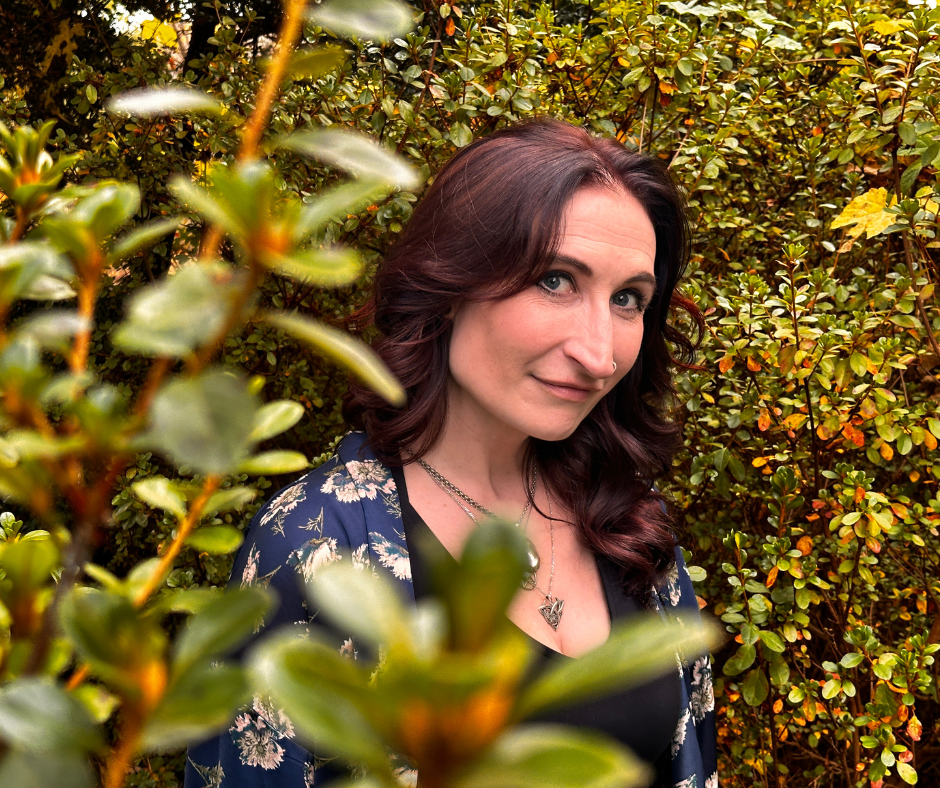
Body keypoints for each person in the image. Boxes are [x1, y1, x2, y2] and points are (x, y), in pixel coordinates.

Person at [185, 118, 717, 788]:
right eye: (555, 280)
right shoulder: (317, 543)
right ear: (451, 280)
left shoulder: (628, 524)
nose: (599, 352)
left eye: (628, 299)